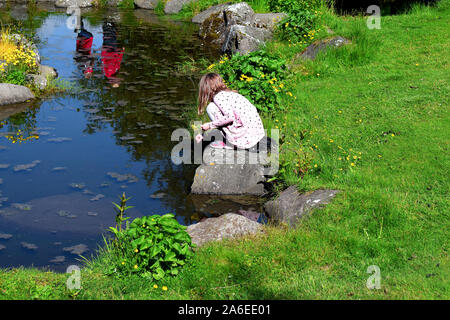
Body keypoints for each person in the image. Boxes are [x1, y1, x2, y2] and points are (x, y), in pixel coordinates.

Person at [197, 73, 268, 152]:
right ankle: (233, 139)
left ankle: (230, 143)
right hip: (256, 133)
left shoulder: (218, 97)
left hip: (246, 135)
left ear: (206, 88)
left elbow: (230, 117)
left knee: (210, 107)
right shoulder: (230, 94)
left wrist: (210, 125)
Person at [101, 21, 124, 88]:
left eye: (116, 81)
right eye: (118, 80)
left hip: (108, 51)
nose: (117, 79)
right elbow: (119, 61)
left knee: (109, 38)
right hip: (114, 51)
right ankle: (111, 26)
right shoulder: (116, 71)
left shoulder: (108, 73)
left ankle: (106, 25)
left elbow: (106, 60)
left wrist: (112, 53)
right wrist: (121, 52)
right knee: (114, 38)